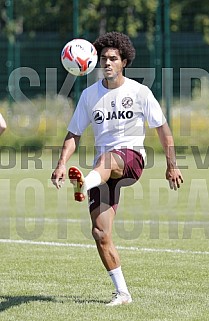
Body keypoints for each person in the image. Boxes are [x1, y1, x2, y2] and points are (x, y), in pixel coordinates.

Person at [51, 31, 183, 306]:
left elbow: (162, 129)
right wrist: (62, 163)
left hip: (131, 159)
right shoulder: (89, 96)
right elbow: (73, 134)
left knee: (108, 158)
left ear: (124, 61)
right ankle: (122, 293)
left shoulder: (139, 92)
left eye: (113, 58)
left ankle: (84, 184)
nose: (107, 63)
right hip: (103, 169)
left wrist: (172, 165)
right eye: (103, 59)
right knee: (100, 233)